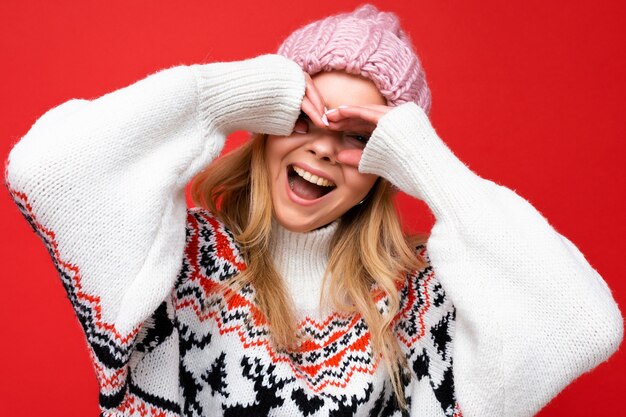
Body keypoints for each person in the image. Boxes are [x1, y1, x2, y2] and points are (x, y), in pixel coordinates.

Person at [3, 4, 623, 417]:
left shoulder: (414, 302)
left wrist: (430, 164)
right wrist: (221, 95)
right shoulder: (177, 266)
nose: (324, 147)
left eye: (358, 136)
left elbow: (582, 325)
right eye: (305, 115)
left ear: (387, 161)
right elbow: (44, 171)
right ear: (266, 119)